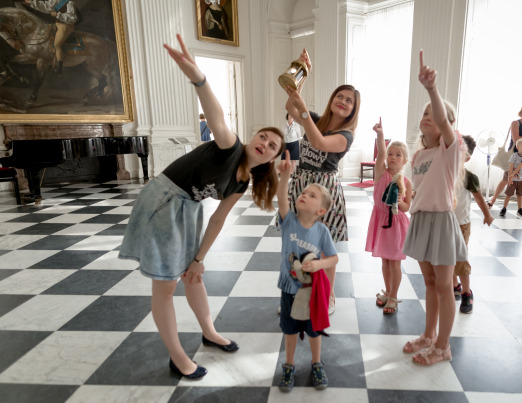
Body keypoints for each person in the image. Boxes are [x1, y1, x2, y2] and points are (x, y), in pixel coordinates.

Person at [118, 35, 285, 379]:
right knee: (165, 286)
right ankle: (177, 356)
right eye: (263, 138)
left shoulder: (242, 180)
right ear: (253, 139)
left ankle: (209, 332)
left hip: (188, 208)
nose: (264, 144)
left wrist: (199, 259)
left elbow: (220, 219)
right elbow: (217, 116)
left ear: (272, 158)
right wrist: (200, 79)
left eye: (272, 146)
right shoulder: (229, 147)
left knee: (192, 275)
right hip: (163, 202)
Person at [401, 51, 467, 366]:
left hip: (441, 223)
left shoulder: (450, 150)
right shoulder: (418, 157)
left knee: (443, 286)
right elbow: (417, 193)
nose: (428, 116)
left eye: (434, 114)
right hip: (422, 220)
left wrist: (431, 90)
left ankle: (443, 347)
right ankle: (428, 336)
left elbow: (443, 119)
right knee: (428, 283)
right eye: (424, 113)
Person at [282, 49, 360, 315]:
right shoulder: (316, 119)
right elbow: (291, 107)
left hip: (325, 191)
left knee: (324, 249)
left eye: (349, 100)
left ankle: (327, 296)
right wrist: (302, 74)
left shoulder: (346, 135)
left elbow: (318, 142)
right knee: (297, 242)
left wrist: (303, 112)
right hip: (302, 184)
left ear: (353, 109)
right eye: (339, 96)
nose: (343, 101)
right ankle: (297, 294)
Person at [276, 152, 338, 393]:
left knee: (314, 330)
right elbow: (282, 200)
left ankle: (316, 363)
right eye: (303, 193)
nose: (304, 195)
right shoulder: (288, 221)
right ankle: (289, 364)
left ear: (321, 211)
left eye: (312, 195)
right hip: (289, 289)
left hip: (312, 292)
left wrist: (319, 265)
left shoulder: (322, 232)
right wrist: (284, 178)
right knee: (289, 330)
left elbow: (333, 258)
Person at [365, 118, 412, 315]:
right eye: (391, 154)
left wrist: (398, 203)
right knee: (385, 260)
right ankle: (388, 290)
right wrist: (380, 135)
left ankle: (394, 295)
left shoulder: (407, 182)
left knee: (395, 261)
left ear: (404, 160)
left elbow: (407, 206)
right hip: (380, 219)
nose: (392, 157)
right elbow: (381, 153)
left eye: (398, 155)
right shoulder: (380, 173)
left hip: (396, 223)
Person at [453, 135, 494, 314]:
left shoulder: (469, 177)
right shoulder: (440, 173)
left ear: (467, 158)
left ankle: (466, 292)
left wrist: (487, 215)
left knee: (460, 258)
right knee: (446, 256)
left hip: (461, 224)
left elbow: (479, 198)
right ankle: (454, 285)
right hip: (442, 223)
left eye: (459, 153)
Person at [488, 104, 522, 211]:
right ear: (521, 112)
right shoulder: (515, 123)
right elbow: (516, 139)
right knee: (506, 179)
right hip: (514, 155)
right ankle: (493, 199)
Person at [23, 0, 77, 74]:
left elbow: (72, 18)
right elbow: (47, 7)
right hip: (57, 24)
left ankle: (59, 68)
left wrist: (57, 14)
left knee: (57, 44)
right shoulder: (57, 1)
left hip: (66, 26)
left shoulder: (70, 3)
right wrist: (32, 2)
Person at [499, 138, 522, 218]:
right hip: (513, 179)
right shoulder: (514, 155)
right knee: (508, 194)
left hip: (521, 179)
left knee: (519, 194)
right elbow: (511, 166)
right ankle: (504, 208)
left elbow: (520, 165)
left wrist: (513, 174)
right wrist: (510, 177)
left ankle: (520, 209)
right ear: (517, 147)